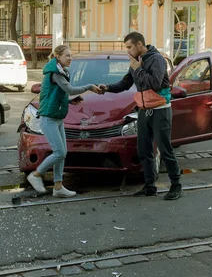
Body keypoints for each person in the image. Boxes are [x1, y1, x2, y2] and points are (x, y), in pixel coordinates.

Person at [99, 32, 182, 200]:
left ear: (139, 45)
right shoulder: (136, 62)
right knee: (144, 149)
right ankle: (150, 186)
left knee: (165, 149)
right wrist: (106, 88)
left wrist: (139, 69)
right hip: (144, 110)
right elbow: (126, 83)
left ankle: (176, 186)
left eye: (129, 47)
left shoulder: (156, 59)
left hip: (160, 109)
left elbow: (154, 83)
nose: (128, 51)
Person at [26, 45, 101, 198]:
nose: (70, 58)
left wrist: (69, 101)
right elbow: (70, 89)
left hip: (57, 118)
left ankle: (58, 187)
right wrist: (89, 87)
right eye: (67, 56)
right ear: (57, 57)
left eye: (71, 56)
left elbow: (57, 95)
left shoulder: (61, 71)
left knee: (62, 153)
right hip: (48, 119)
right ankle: (36, 174)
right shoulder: (55, 73)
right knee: (59, 152)